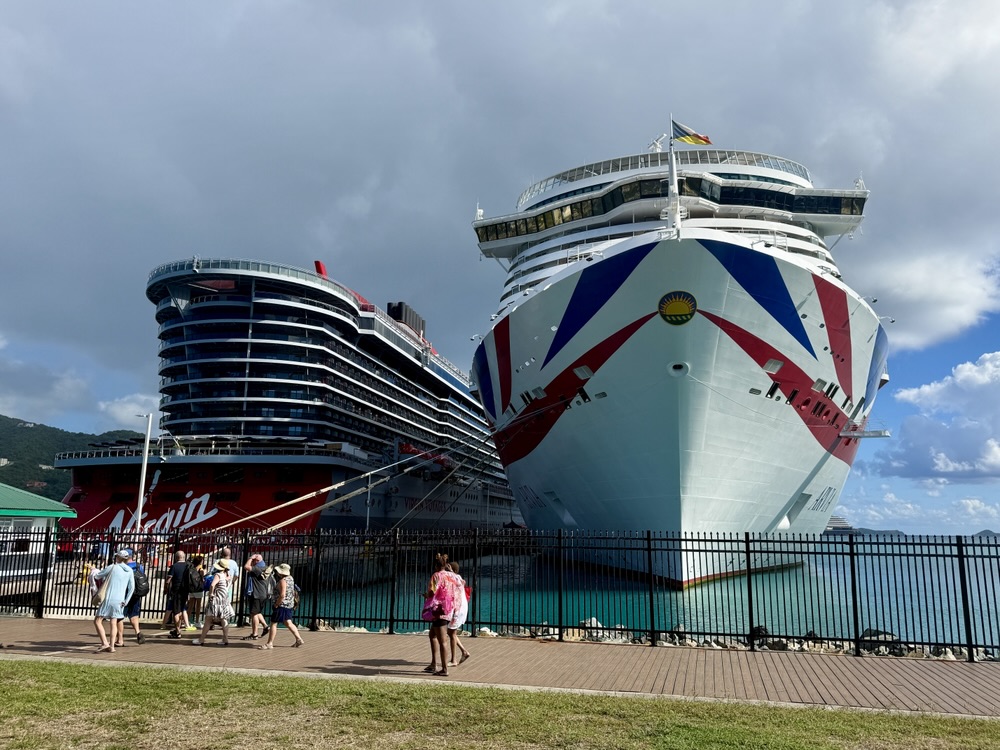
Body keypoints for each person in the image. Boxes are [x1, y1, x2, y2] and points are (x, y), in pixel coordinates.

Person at [422, 553, 460, 676]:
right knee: (432, 634)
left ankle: (444, 669)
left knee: (442, 640)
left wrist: (427, 595)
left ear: (436, 566)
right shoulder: (450, 576)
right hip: (448, 609)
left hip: (438, 610)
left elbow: (432, 591)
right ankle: (433, 664)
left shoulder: (436, 576)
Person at [92, 548, 135, 653]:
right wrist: (126, 601)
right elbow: (132, 588)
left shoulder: (113, 567)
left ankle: (104, 643)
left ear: (119, 558)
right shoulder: (129, 570)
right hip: (120, 600)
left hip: (109, 598)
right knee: (113, 622)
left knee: (97, 620)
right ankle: (112, 646)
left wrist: (93, 570)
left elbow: (97, 576)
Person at [258, 563, 304, 650]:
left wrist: (276, 604)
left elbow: (282, 595)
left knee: (273, 623)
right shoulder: (291, 578)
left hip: (281, 605)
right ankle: (299, 639)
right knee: (288, 622)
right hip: (289, 604)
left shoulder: (283, 581)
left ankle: (269, 643)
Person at [193, 560, 234, 646]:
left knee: (208, 620)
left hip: (216, 600)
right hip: (224, 600)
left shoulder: (218, 575)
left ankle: (201, 639)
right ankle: (225, 639)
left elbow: (212, 585)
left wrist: (211, 593)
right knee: (224, 619)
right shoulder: (228, 576)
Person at [119, 548, 148, 646]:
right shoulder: (139, 566)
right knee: (134, 615)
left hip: (125, 593)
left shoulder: (123, 567)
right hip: (136, 593)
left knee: (120, 617)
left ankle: (120, 638)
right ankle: (138, 632)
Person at [242, 553, 273, 640]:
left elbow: (246, 567)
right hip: (262, 594)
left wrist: (250, 558)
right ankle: (265, 626)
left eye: (254, 560)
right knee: (257, 611)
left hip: (256, 594)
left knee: (254, 614)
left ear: (257, 561)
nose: (252, 561)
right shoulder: (265, 567)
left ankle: (254, 634)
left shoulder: (257, 568)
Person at [446, 561, 471, 667]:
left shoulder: (454, 579)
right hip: (460, 609)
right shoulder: (459, 578)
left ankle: (453, 660)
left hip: (457, 610)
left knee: (451, 633)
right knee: (451, 632)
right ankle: (464, 652)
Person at [165, 550, 189, 637]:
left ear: (176, 557)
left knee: (176, 611)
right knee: (182, 610)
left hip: (176, 590)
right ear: (184, 557)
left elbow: (168, 580)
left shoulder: (174, 566)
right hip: (185, 590)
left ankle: (178, 631)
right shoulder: (188, 566)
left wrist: (166, 588)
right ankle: (178, 628)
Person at [186, 555, 206, 628]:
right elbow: (202, 579)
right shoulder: (200, 569)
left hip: (192, 588)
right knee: (198, 606)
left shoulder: (191, 568)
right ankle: (197, 621)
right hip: (198, 588)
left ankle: (186, 620)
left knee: (190, 605)